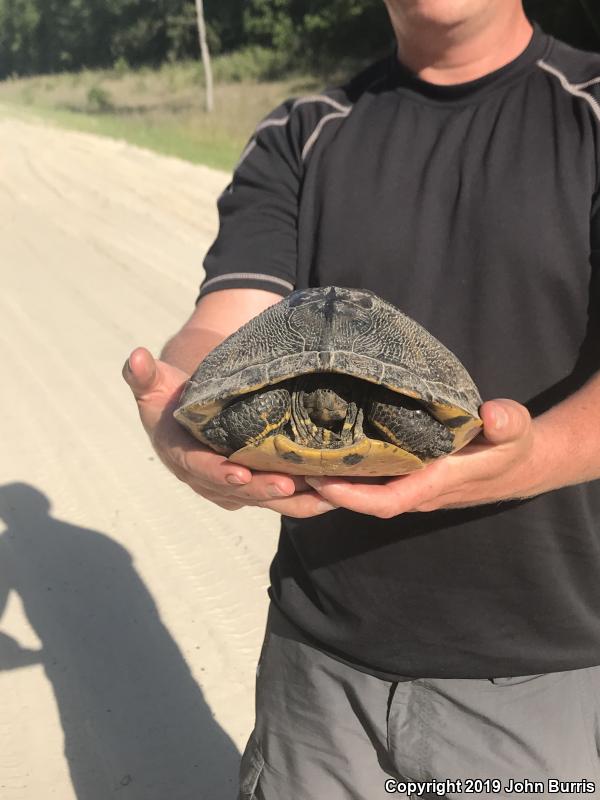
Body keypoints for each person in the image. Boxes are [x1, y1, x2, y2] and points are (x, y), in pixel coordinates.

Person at [124, 1, 600, 797]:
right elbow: (229, 317)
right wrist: (192, 403)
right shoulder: (303, 130)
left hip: (542, 677)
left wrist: (522, 460)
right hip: (318, 672)